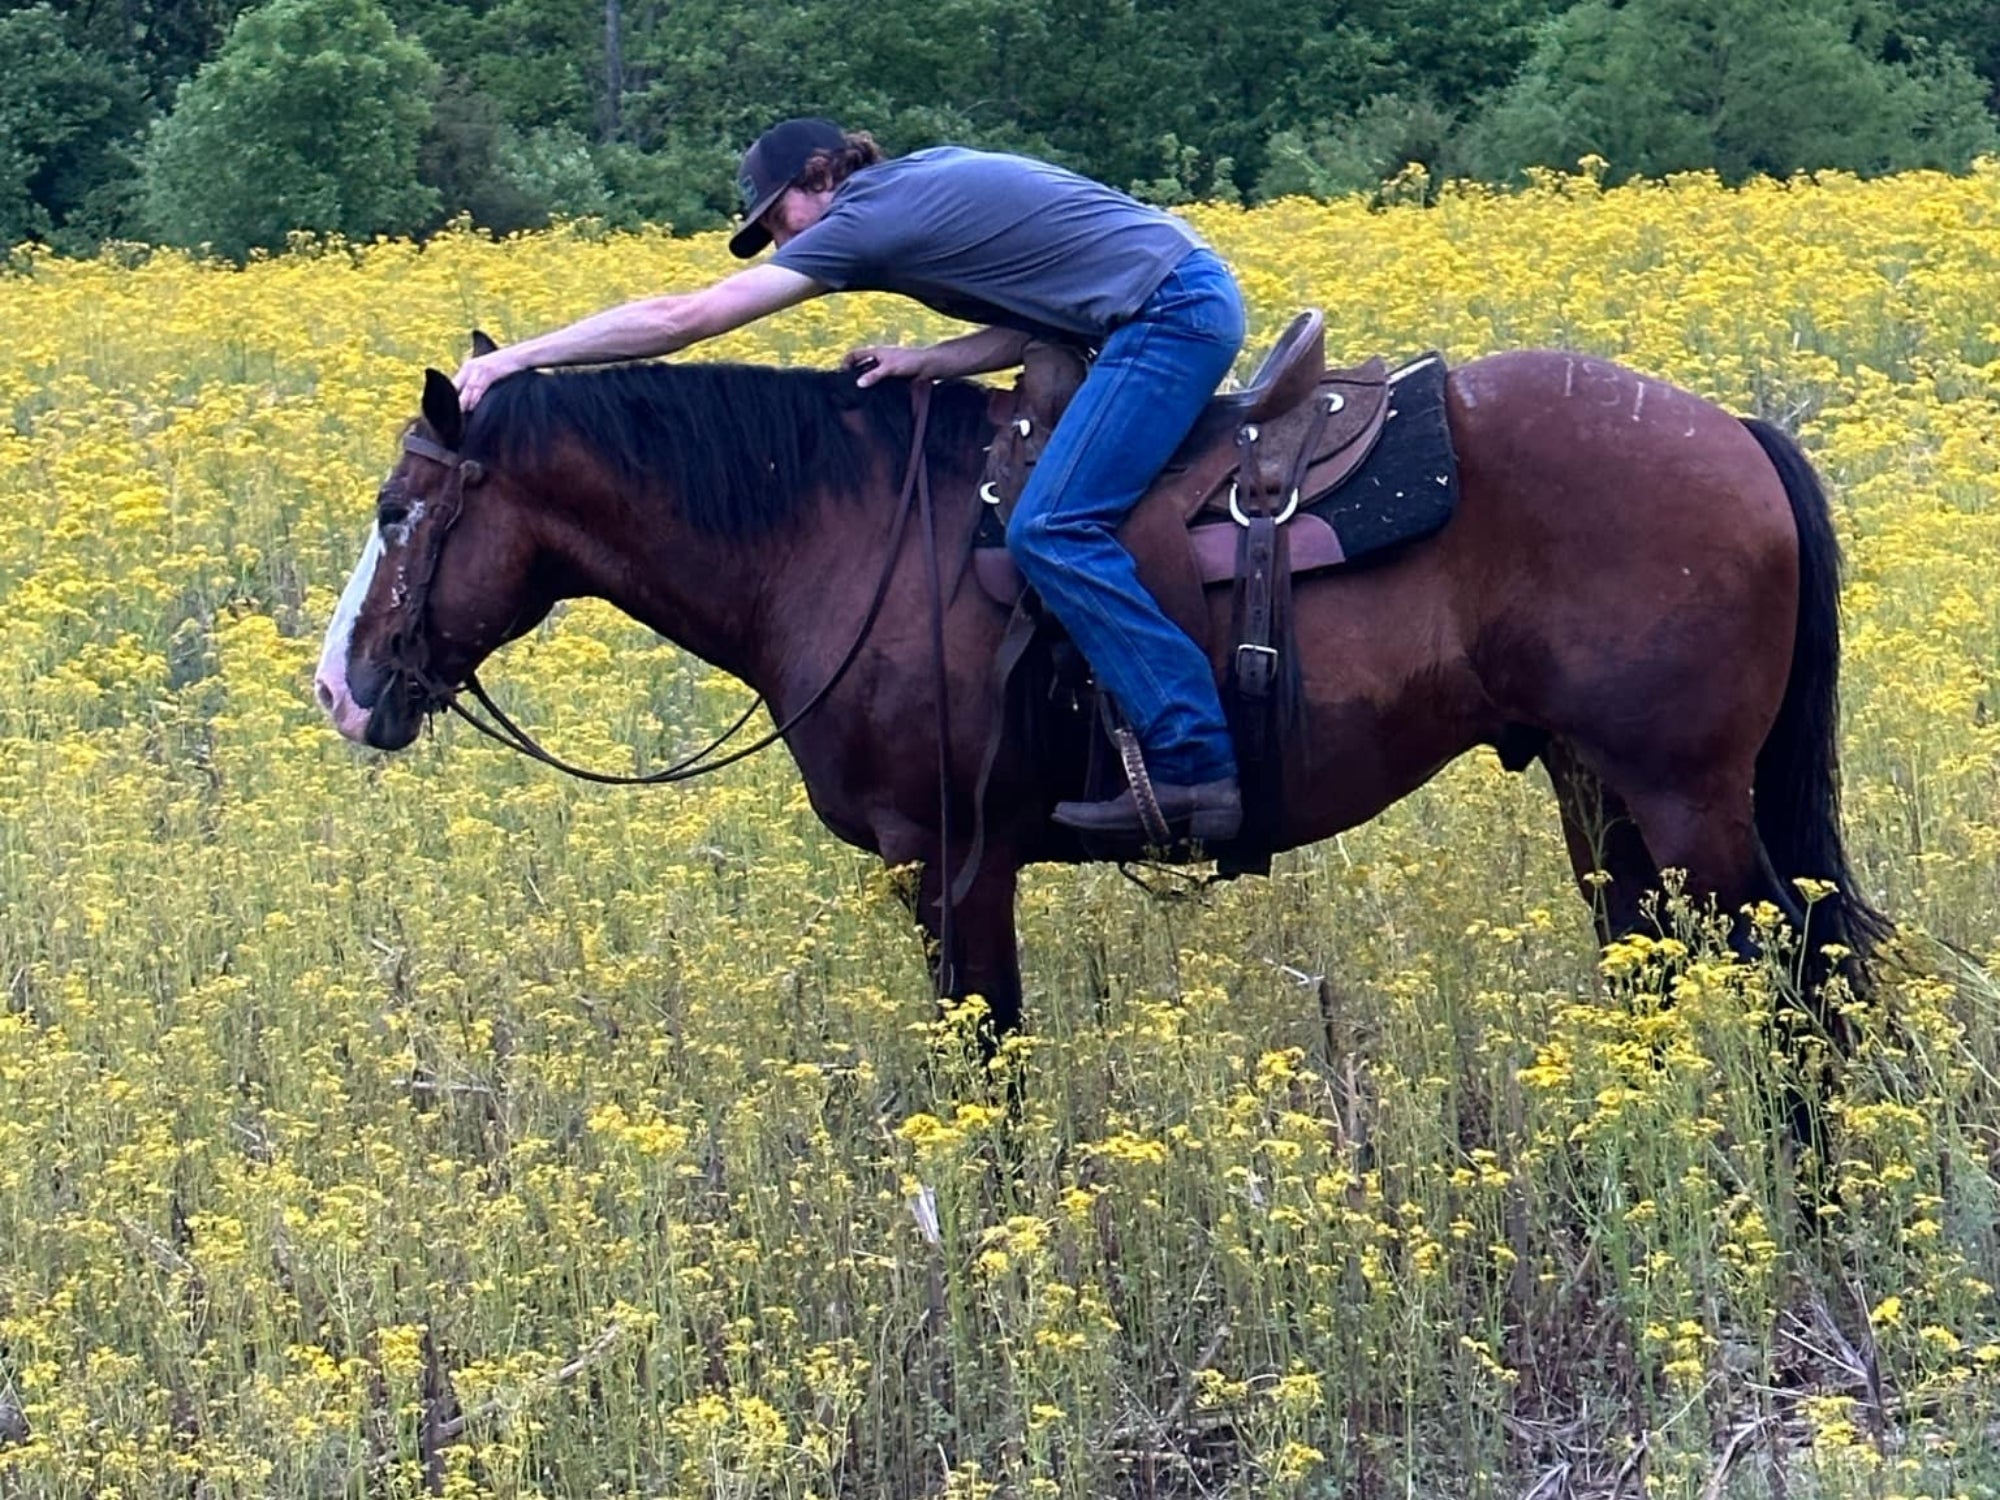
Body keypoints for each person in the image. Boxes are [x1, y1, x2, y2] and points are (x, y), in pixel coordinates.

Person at [453, 118, 1246, 842]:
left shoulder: (867, 219)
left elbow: (685, 319)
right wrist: (928, 360)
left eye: (776, 217)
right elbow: (1048, 307)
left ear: (824, 175)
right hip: (1160, 301)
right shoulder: (911, 185)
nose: (776, 241)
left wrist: (519, 358)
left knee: (1052, 528)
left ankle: (1192, 763)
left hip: (1170, 315)